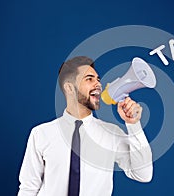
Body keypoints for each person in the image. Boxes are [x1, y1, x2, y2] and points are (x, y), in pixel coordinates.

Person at [18, 56, 153, 196]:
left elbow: (143, 174)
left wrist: (133, 125)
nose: (98, 85)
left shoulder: (111, 133)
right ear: (69, 88)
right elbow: (29, 188)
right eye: (89, 79)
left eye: (98, 80)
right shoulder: (41, 133)